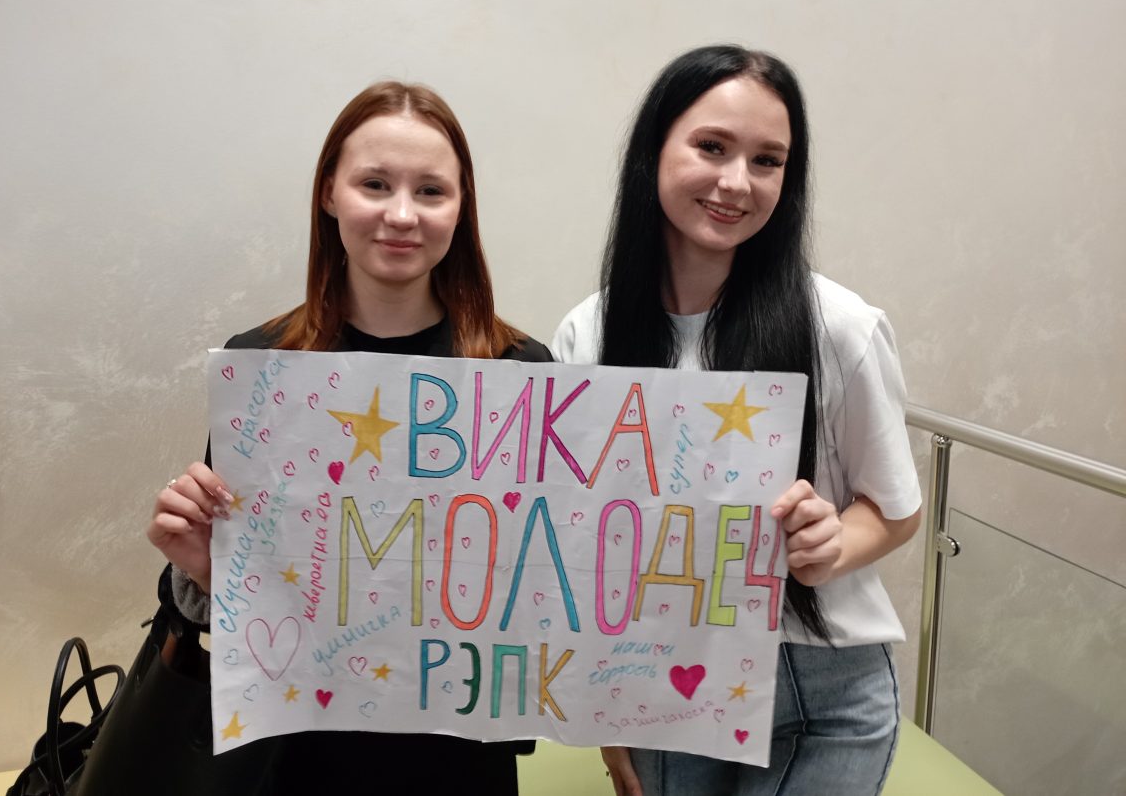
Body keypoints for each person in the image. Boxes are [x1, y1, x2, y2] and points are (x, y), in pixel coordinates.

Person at [146, 80, 550, 794]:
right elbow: (228, 603)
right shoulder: (261, 367)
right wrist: (207, 570)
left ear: (461, 207)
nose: (402, 214)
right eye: (375, 184)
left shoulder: (520, 374)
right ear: (329, 193)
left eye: (431, 191)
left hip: (459, 762)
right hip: (295, 761)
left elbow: (545, 586)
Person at [552, 45, 922, 796]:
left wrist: (830, 545)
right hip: (661, 673)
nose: (736, 182)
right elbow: (585, 544)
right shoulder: (587, 335)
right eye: (712, 146)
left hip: (825, 686)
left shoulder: (841, 327)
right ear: (654, 150)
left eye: (767, 161)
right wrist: (607, 709)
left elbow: (895, 509)